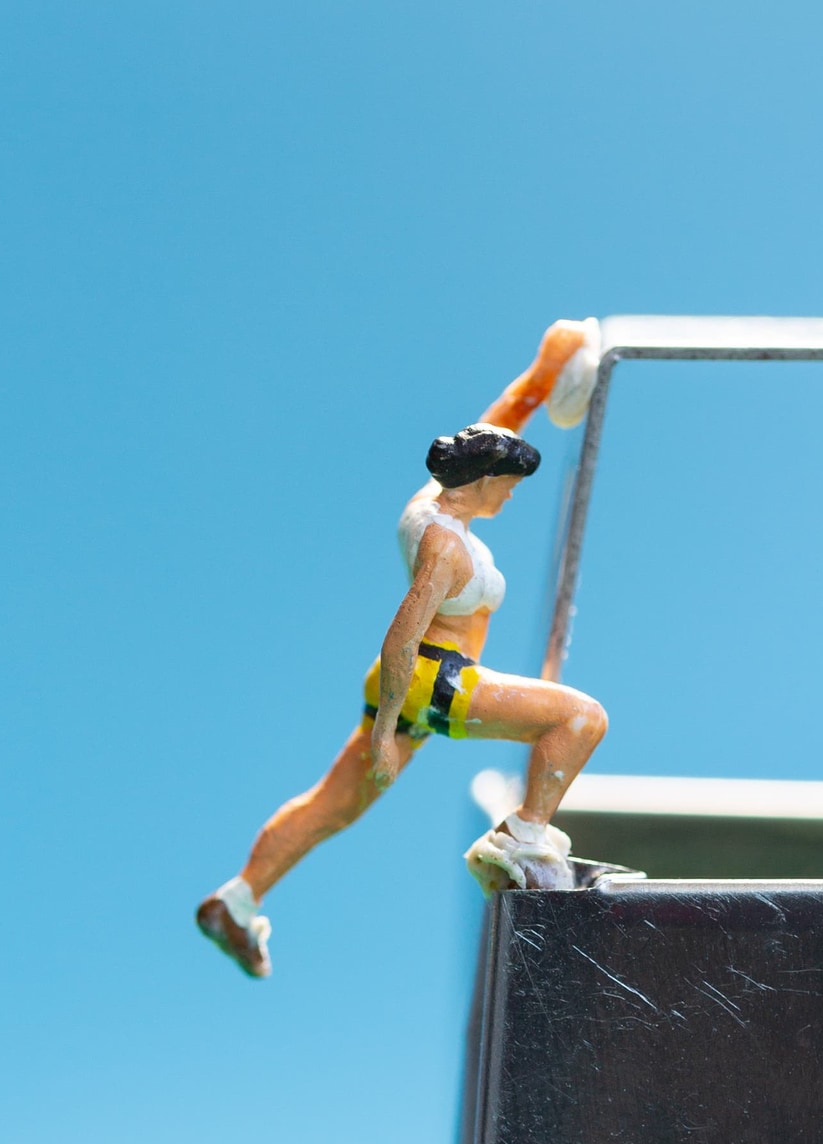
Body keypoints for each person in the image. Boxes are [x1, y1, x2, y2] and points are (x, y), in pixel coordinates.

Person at [196, 320, 609, 979]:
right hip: (428, 682)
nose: (511, 495)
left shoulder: (429, 504)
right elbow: (401, 636)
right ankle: (522, 840)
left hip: (414, 683)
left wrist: (545, 371)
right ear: (480, 481)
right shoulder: (446, 549)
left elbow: (501, 418)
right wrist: (387, 732)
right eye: (506, 484)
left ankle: (237, 901)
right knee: (580, 719)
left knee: (334, 803)